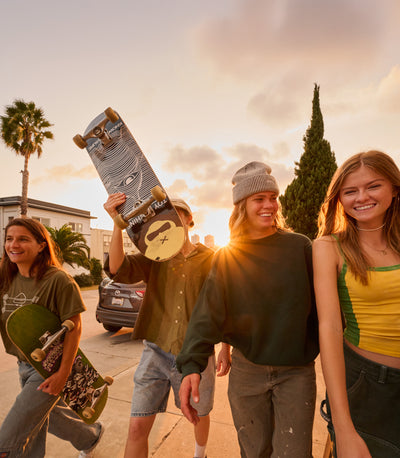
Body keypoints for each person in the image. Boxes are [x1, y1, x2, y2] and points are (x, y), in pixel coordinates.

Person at [176, 161, 319, 458]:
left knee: (294, 453)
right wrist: (191, 366)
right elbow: (207, 315)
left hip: (295, 374)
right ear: (242, 205)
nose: (270, 205)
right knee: (253, 452)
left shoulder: (299, 248)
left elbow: (323, 312)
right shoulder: (229, 256)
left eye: (273, 197)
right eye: (259, 199)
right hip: (247, 372)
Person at [103, 193, 231, 458]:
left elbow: (224, 307)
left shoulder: (212, 259)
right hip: (156, 352)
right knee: (137, 427)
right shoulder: (154, 257)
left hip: (196, 355)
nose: (169, 220)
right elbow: (117, 268)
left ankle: (200, 454)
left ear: (188, 221)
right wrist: (117, 226)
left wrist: (226, 350)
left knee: (199, 414)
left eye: (177, 214)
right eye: (163, 216)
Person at [313, 150, 400, 458]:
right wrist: (344, 427)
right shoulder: (328, 248)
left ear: (394, 188)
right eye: (350, 191)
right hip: (367, 386)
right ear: (339, 198)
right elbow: (330, 328)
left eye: (373, 186)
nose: (361, 197)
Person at [0, 218, 104, 458]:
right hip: (23, 364)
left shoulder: (58, 280)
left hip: (49, 366)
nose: (13, 244)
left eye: (23, 239)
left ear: (41, 245)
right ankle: (90, 436)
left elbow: (74, 327)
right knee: (46, 421)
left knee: (7, 444)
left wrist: (63, 374)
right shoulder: (5, 275)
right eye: (9, 239)